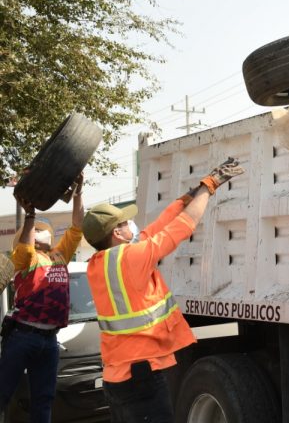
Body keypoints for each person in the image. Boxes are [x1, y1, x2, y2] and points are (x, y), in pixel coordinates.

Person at [82, 158, 243, 423]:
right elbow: (183, 227)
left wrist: (187, 197)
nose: (129, 226)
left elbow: (155, 230)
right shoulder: (132, 257)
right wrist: (210, 186)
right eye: (123, 223)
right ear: (117, 234)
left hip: (117, 376)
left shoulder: (98, 265)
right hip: (141, 375)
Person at [0, 173, 85, 423]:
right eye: (39, 230)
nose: (44, 231)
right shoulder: (26, 259)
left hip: (49, 341)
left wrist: (78, 192)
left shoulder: (59, 256)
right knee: (3, 394)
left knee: (44, 400)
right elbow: (25, 246)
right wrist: (29, 217)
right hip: (22, 336)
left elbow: (78, 226)